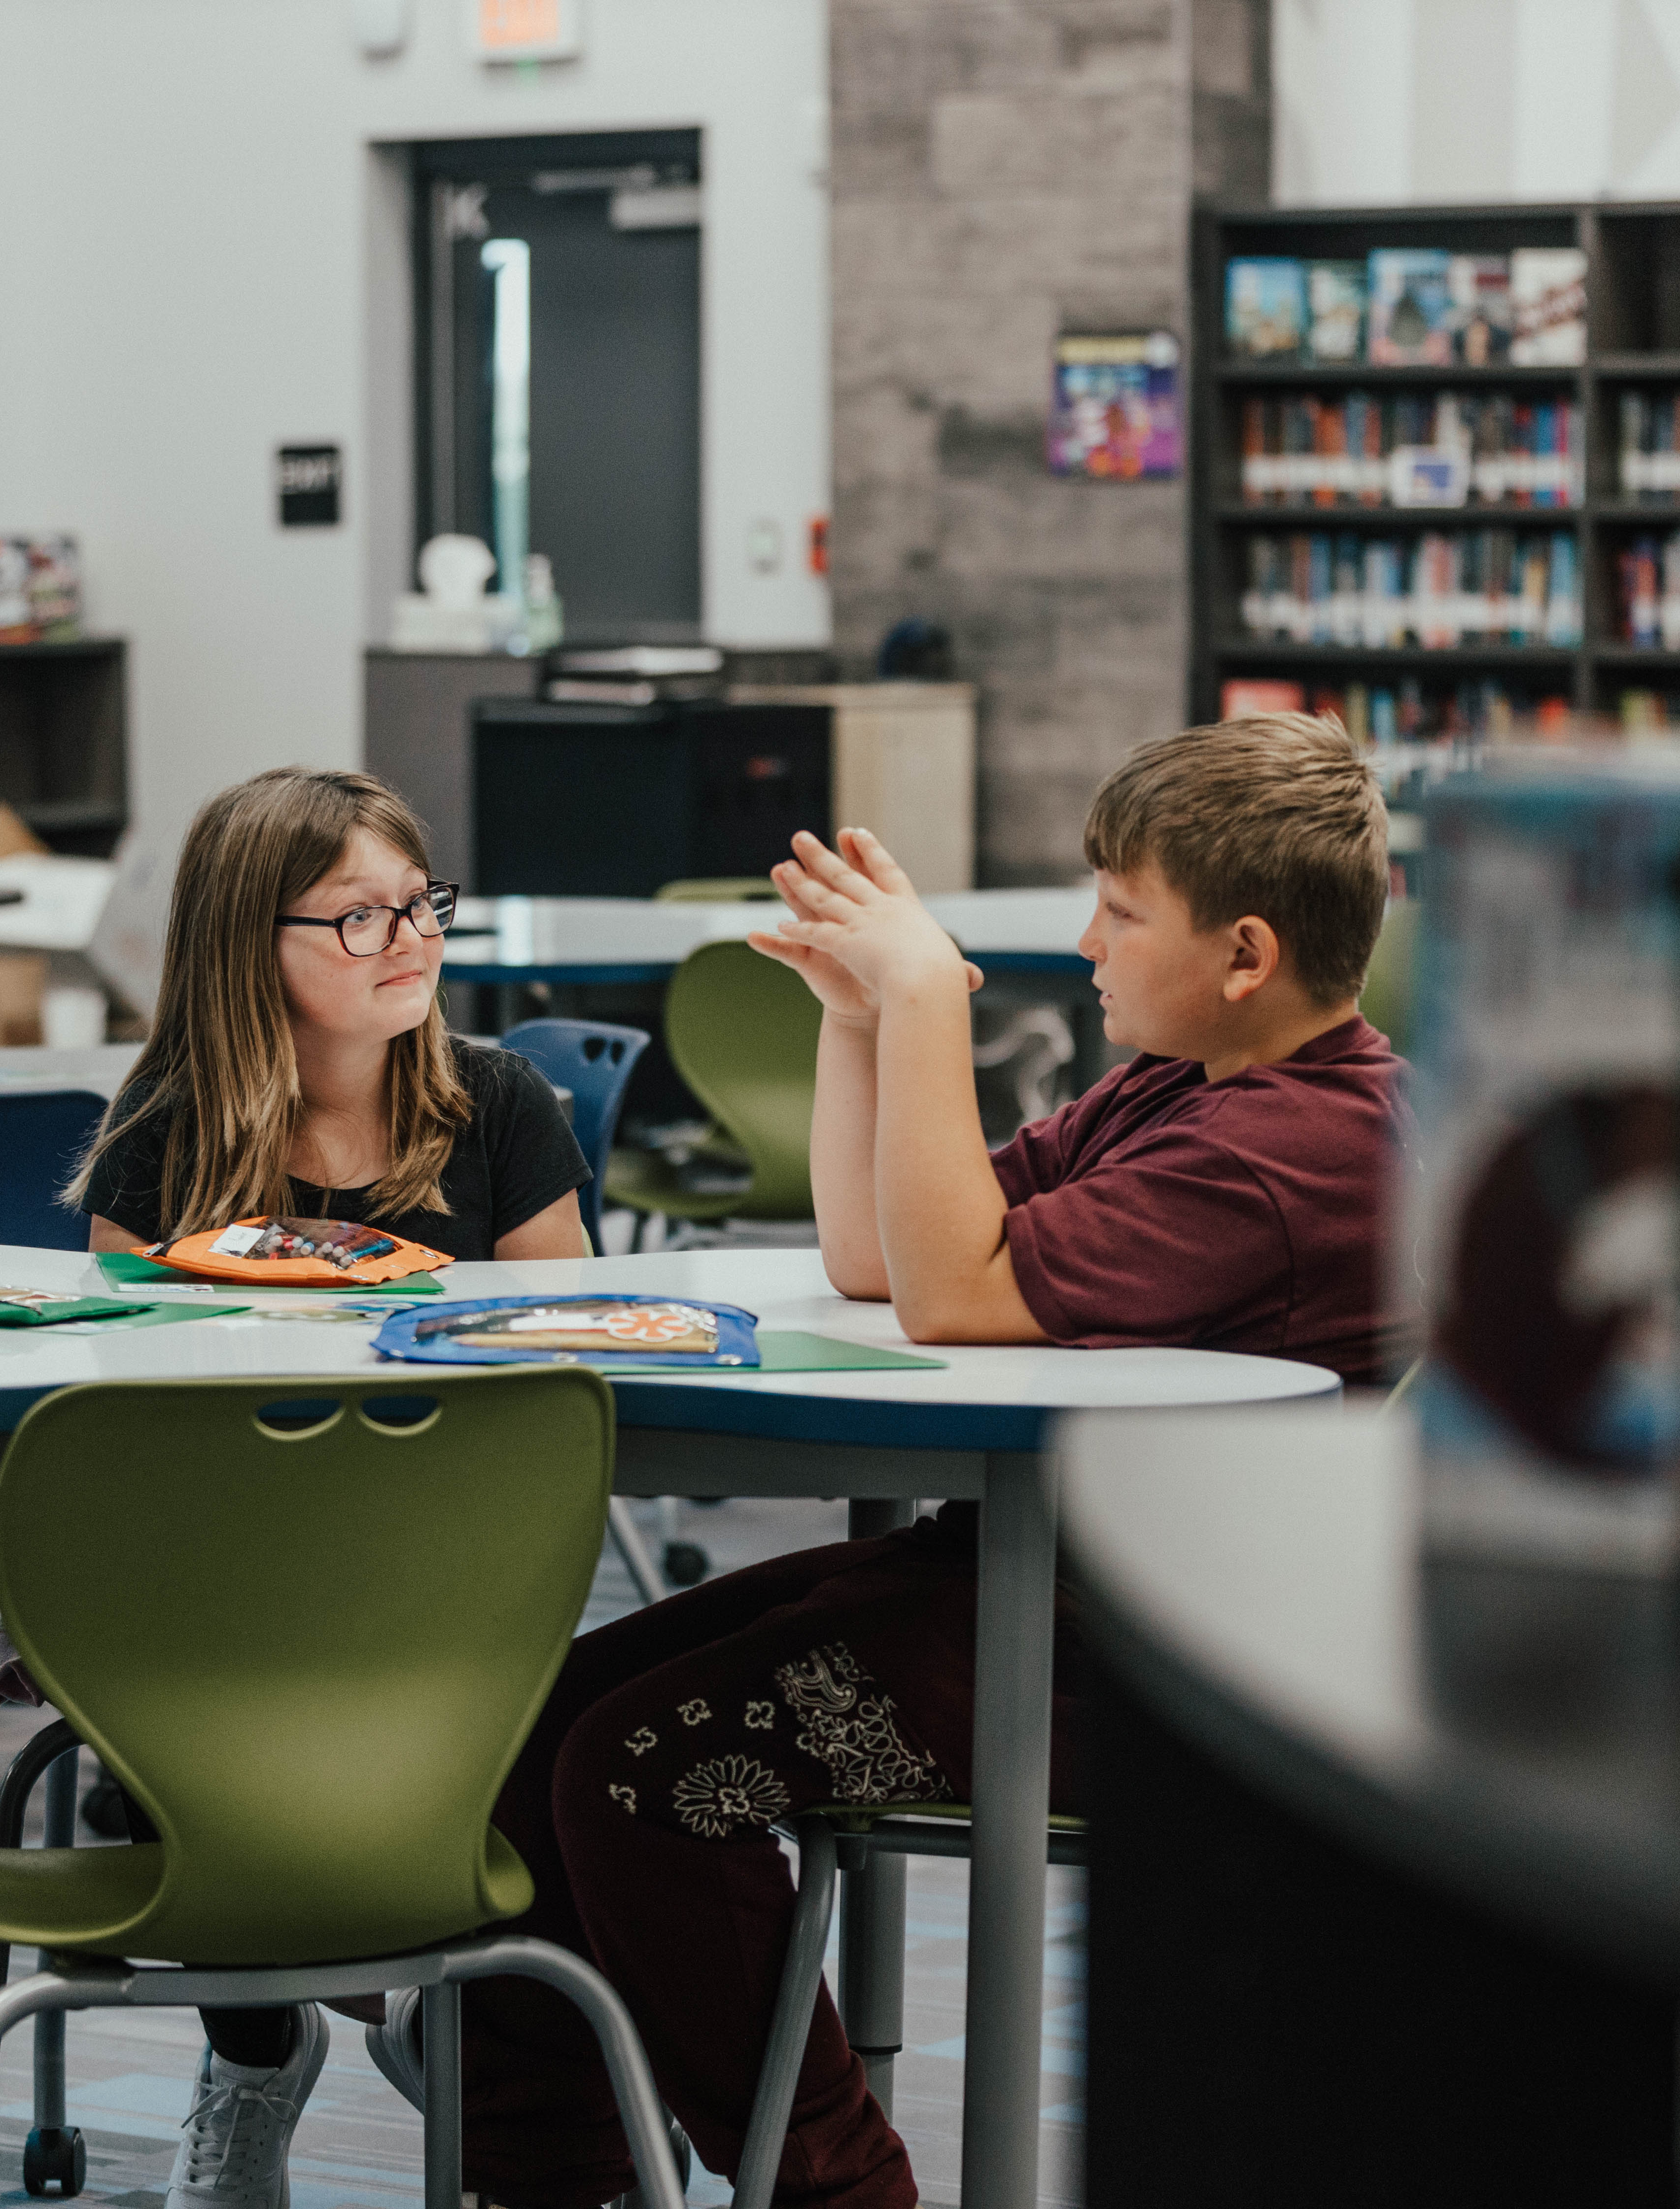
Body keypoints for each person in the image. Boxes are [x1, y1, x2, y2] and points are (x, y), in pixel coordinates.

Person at [407, 712, 1412, 2208]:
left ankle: (837, 2191)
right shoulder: (1186, 1086)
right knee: (539, 1728)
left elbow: (955, 1294)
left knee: (644, 1769)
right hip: (1027, 1588)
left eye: (1123, 914)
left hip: (1139, 1666)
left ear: (1247, 954)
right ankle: (551, 2171)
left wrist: (937, 1000)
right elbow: (882, 1251)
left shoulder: (1291, 1151)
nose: (1087, 942)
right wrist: (864, 1019)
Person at [46, 763, 593, 2205]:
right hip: (218, 1575)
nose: (411, 939)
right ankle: (257, 2052)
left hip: (452, 1577)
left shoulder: (503, 1110)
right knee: (173, 1758)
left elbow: (579, 1377)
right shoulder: (166, 1134)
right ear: (251, 948)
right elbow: (109, 1413)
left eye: (422, 905)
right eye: (360, 918)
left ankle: (431, 2024)